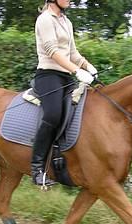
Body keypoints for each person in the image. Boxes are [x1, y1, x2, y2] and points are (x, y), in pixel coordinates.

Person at [31, 0, 97, 187]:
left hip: (66, 76)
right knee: (53, 114)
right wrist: (77, 71)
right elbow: (52, 51)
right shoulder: (45, 19)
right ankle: (37, 168)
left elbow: (72, 53)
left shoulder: (66, 21)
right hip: (48, 75)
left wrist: (87, 66)